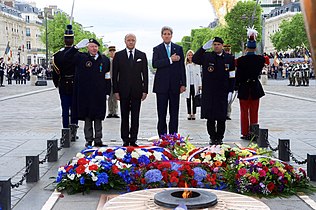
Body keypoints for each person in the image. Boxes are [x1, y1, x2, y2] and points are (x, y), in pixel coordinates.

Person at [65, 38, 111, 147]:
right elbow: (66, 57)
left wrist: (108, 92)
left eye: (95, 46)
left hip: (99, 93)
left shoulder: (104, 59)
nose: (94, 49)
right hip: (85, 94)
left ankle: (98, 139)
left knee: (98, 117)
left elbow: (107, 76)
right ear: (87, 47)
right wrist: (75, 47)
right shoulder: (81, 57)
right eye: (91, 46)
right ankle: (89, 140)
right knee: (88, 118)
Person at [192, 37, 235, 145]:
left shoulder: (229, 58)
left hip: (222, 92)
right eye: (214, 44)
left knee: (221, 117)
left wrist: (231, 90)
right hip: (209, 92)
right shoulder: (207, 56)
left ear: (222, 45)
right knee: (210, 117)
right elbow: (195, 59)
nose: (216, 46)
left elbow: (232, 75)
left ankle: (219, 137)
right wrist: (203, 48)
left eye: (218, 44)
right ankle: (212, 137)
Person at [112, 34, 148, 147]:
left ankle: (133, 139)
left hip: (137, 91)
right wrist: (116, 91)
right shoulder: (118, 55)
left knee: (135, 116)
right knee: (124, 116)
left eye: (133, 40)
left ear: (135, 41)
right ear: (125, 41)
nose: (131, 42)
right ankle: (124, 139)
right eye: (129, 40)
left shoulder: (141, 55)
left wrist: (145, 90)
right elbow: (115, 75)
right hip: (123, 91)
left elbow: (145, 74)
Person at [152, 26, 186, 137]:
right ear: (162, 35)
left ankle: (173, 136)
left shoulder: (178, 48)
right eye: (165, 34)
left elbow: (182, 67)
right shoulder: (157, 49)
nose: (167, 36)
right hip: (161, 86)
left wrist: (183, 83)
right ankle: (162, 136)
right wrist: (170, 60)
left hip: (175, 85)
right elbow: (155, 64)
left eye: (169, 34)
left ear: (171, 35)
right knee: (161, 113)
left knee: (174, 113)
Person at [235, 28, 265, 140]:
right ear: (255, 48)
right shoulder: (260, 59)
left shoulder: (240, 60)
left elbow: (238, 75)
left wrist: (236, 85)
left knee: (244, 112)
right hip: (255, 88)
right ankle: (254, 132)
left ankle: (245, 133)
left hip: (244, 88)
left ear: (246, 48)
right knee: (254, 112)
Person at [52, 24, 78, 139]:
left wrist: (57, 84)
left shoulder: (57, 55)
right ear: (73, 39)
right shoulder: (78, 54)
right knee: (74, 110)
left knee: (65, 110)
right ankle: (73, 133)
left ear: (64, 39)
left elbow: (55, 74)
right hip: (75, 84)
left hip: (63, 84)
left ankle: (65, 133)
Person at [184, 50, 201, 120]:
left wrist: (200, 84)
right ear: (187, 56)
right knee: (188, 99)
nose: (190, 56)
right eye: (189, 55)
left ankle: (193, 114)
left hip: (195, 84)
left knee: (195, 99)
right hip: (187, 85)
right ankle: (189, 114)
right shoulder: (185, 65)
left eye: (191, 55)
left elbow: (199, 75)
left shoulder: (197, 65)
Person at [106, 46, 120, 119]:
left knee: (115, 97)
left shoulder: (118, 60)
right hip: (108, 81)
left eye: (113, 51)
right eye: (110, 51)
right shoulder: (107, 60)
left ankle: (115, 112)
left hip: (116, 82)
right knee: (109, 98)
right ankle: (110, 112)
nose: (112, 53)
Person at [223, 44, 235, 120]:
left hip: (229, 82)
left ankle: (227, 114)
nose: (227, 51)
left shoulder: (231, 59)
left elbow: (232, 73)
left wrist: (233, 86)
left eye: (228, 50)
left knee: (229, 101)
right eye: (226, 50)